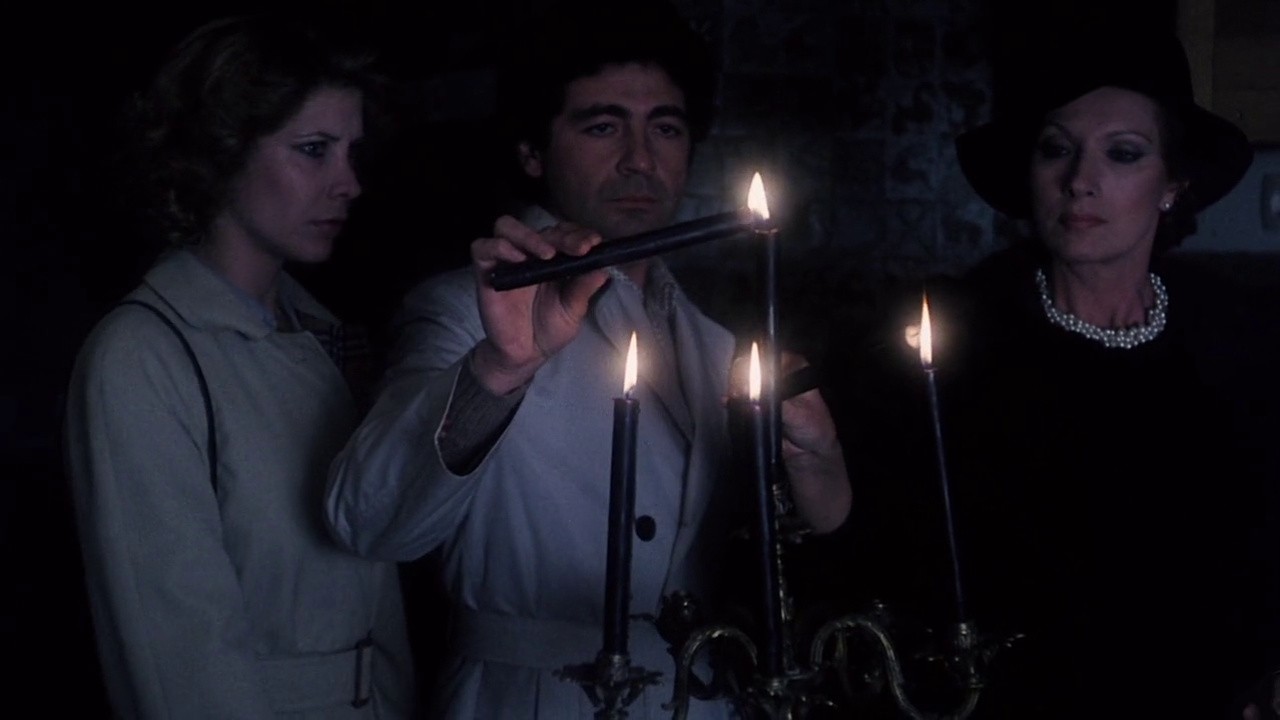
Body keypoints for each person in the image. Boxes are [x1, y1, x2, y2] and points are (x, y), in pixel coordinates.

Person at [323, 1, 851, 717]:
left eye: (665, 127)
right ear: (531, 152)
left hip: (696, 696)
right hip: (528, 697)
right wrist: (502, 368)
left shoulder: (716, 345)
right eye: (603, 126)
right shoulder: (460, 310)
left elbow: (783, 547)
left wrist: (819, 462)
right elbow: (368, 522)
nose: (640, 159)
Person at [825, 24, 1277, 720]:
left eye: (1122, 153)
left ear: (1171, 185)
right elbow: (867, 550)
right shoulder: (945, 339)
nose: (1079, 182)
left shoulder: (1238, 338)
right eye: (1056, 149)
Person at [62, 14, 415, 718]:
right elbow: (179, 651)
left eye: (352, 152)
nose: (348, 182)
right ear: (220, 153)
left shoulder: (322, 337)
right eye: (313, 150)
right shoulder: (142, 357)